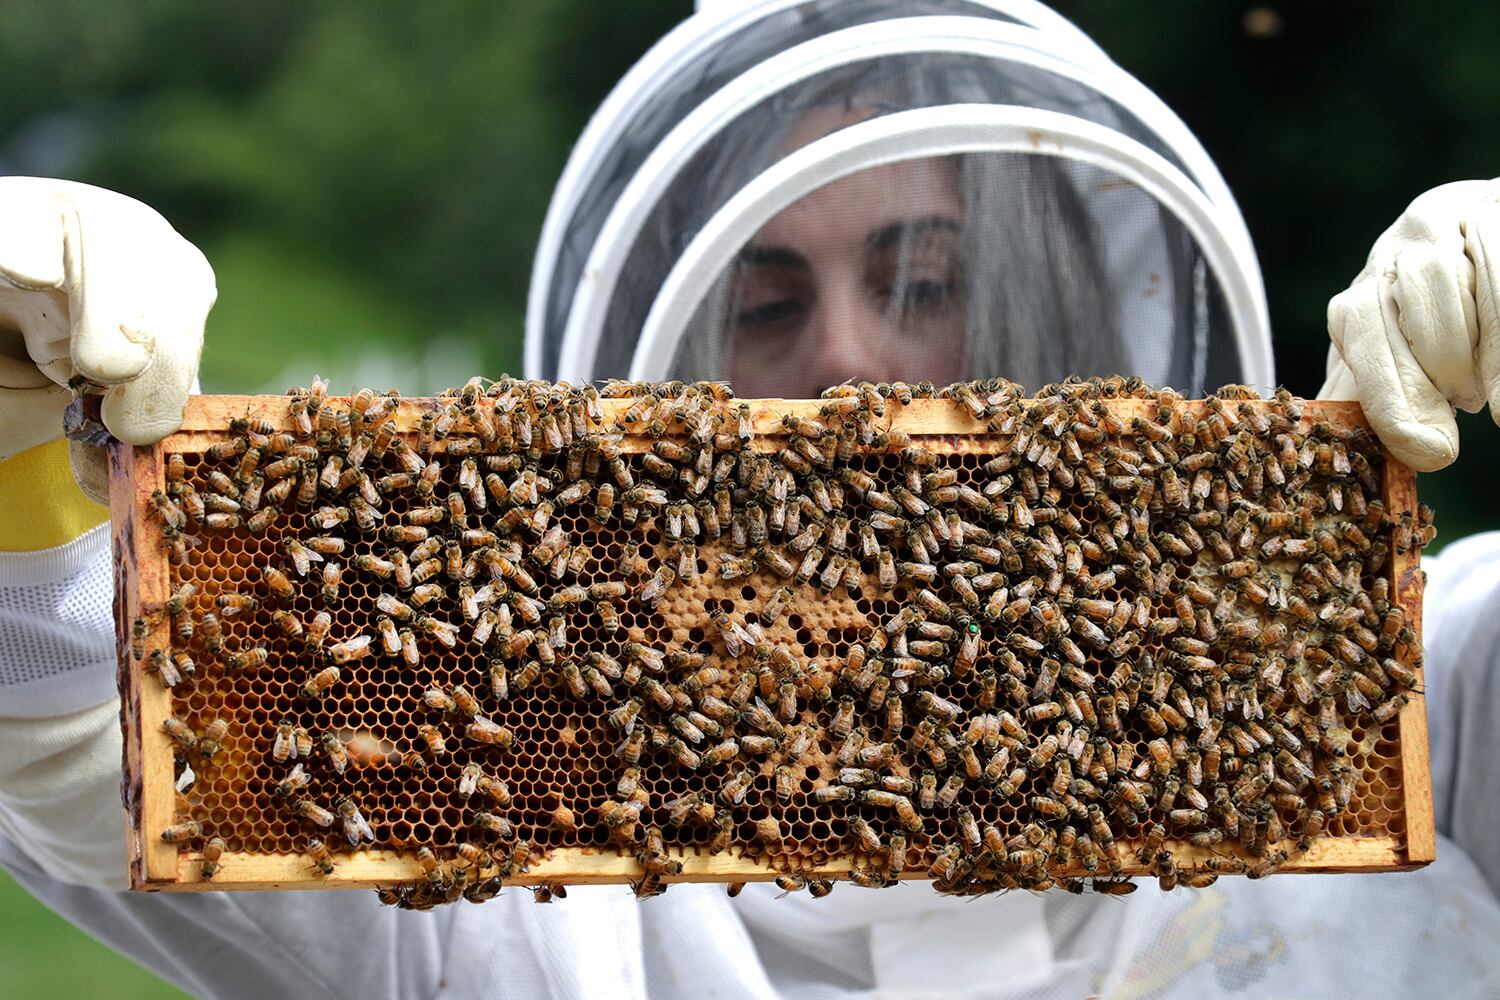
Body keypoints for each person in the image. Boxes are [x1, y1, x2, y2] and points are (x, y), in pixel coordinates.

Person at [2, 2, 1499, 997]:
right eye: (764, 304)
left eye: (923, 280)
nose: (845, 360)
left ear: (1066, 322)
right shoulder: (519, 856)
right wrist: (15, 452)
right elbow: (93, 727)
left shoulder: (1406, 696)